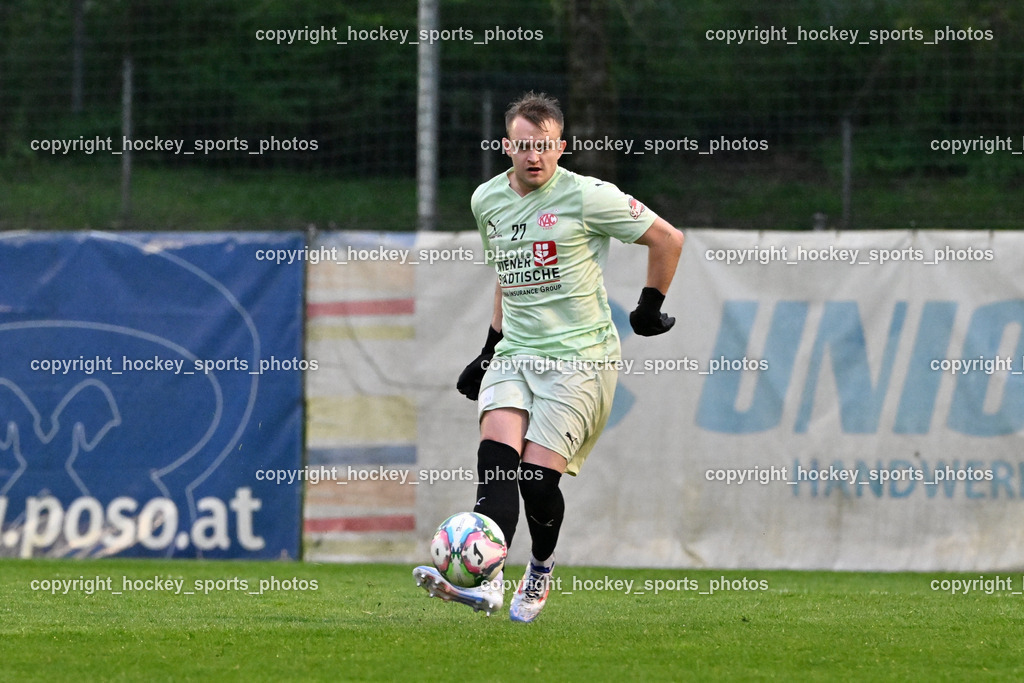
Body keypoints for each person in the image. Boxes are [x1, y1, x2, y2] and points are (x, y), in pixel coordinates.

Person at [414, 91, 683, 622]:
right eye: (523, 146)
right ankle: (486, 582)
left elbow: (668, 239)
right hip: (516, 352)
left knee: (537, 481)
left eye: (544, 146)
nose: (534, 156)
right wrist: (487, 352)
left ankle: (539, 570)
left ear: (560, 146)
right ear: (506, 147)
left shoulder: (588, 196)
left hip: (581, 359)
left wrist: (649, 308)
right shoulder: (486, 200)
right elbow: (506, 277)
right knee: (495, 465)